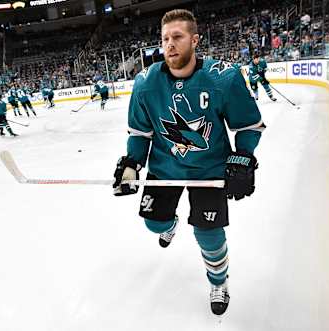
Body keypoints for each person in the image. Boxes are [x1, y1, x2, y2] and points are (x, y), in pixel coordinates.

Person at [112, 9, 265, 316]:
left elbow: (248, 126)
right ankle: (170, 223)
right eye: (165, 38)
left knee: (208, 235)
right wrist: (131, 163)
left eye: (178, 37)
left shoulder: (223, 77)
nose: (170, 44)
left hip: (209, 170)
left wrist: (243, 157)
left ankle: (218, 282)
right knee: (154, 223)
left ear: (195, 40)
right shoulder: (145, 83)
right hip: (164, 168)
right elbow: (140, 133)